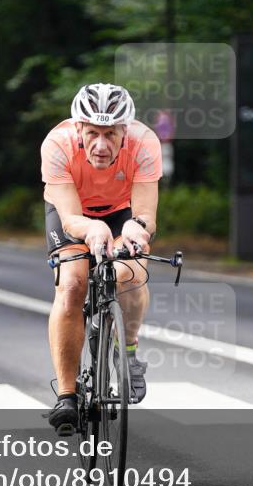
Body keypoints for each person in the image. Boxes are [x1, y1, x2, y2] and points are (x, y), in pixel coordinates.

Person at [41, 83, 162, 434]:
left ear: (125, 130)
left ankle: (127, 351)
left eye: (110, 134)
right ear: (78, 127)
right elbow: (69, 219)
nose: (101, 144)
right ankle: (67, 395)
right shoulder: (57, 144)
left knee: (131, 274)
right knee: (73, 284)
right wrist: (91, 230)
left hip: (121, 211)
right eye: (92, 133)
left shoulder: (145, 143)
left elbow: (144, 214)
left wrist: (137, 231)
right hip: (73, 212)